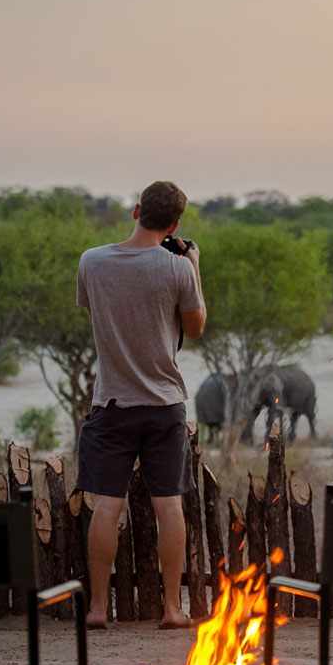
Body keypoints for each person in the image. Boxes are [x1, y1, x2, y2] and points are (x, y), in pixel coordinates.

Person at [77, 181, 206, 630]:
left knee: (106, 505)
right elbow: (196, 325)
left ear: (135, 211)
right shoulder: (177, 268)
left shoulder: (91, 262)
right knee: (168, 505)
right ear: (174, 225)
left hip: (111, 400)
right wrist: (192, 266)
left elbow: (97, 319)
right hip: (164, 402)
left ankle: (96, 609)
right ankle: (172, 608)